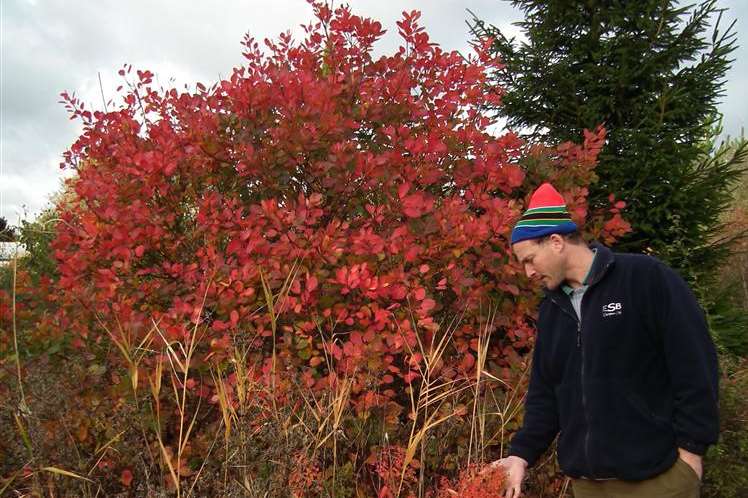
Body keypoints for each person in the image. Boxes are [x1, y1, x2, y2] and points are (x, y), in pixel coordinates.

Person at [493, 183, 719, 498]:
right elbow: (545, 394)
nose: (528, 272)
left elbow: (695, 364)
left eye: (530, 259)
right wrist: (520, 456)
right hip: (588, 485)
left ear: (556, 242)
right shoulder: (552, 310)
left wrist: (692, 450)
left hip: (659, 479)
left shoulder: (644, 279)